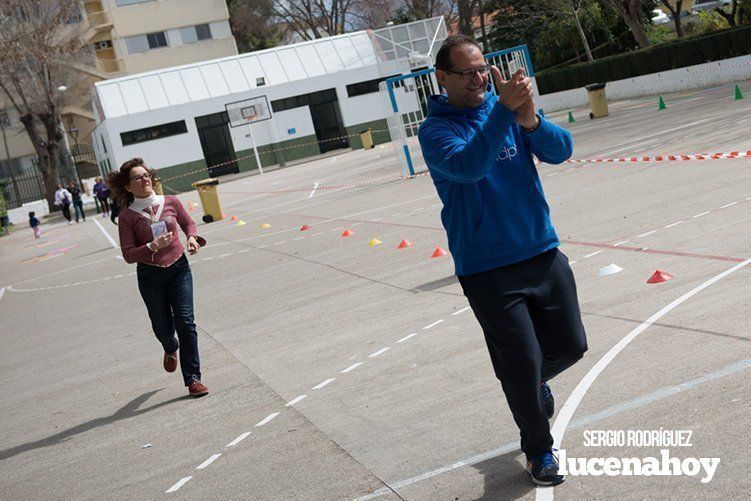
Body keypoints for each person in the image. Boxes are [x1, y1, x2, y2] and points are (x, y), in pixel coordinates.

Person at [418, 35, 587, 487]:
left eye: (481, 69)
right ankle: (540, 451)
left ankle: (528, 381)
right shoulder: (436, 130)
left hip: (540, 249)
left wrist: (530, 120)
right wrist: (503, 111)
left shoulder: (508, 111)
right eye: (467, 72)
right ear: (443, 78)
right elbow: (470, 165)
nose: (479, 78)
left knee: (572, 346)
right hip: (487, 269)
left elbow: (561, 150)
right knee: (520, 360)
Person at [108, 157, 208, 397]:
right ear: (128, 186)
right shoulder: (127, 217)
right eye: (137, 177)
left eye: (146, 175)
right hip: (150, 275)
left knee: (186, 321)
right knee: (163, 328)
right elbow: (129, 255)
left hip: (179, 268)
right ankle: (170, 346)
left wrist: (192, 238)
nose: (144, 179)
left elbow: (188, 223)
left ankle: (193, 379)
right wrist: (151, 247)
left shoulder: (170, 202)